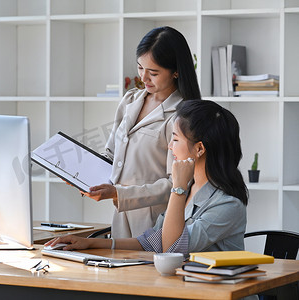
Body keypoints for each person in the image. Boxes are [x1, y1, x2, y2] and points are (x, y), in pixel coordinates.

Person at [46, 99, 248, 254]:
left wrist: (178, 187)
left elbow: (172, 249)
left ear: (199, 148)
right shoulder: (189, 189)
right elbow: (151, 242)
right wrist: (90, 243)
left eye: (175, 139)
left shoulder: (227, 204)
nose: (170, 146)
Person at [83, 26, 201, 238]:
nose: (144, 78)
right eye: (140, 68)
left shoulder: (182, 116)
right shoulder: (130, 100)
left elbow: (176, 183)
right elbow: (111, 155)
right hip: (121, 217)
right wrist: (82, 174)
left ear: (176, 71)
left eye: (153, 73)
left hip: (156, 222)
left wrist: (120, 193)